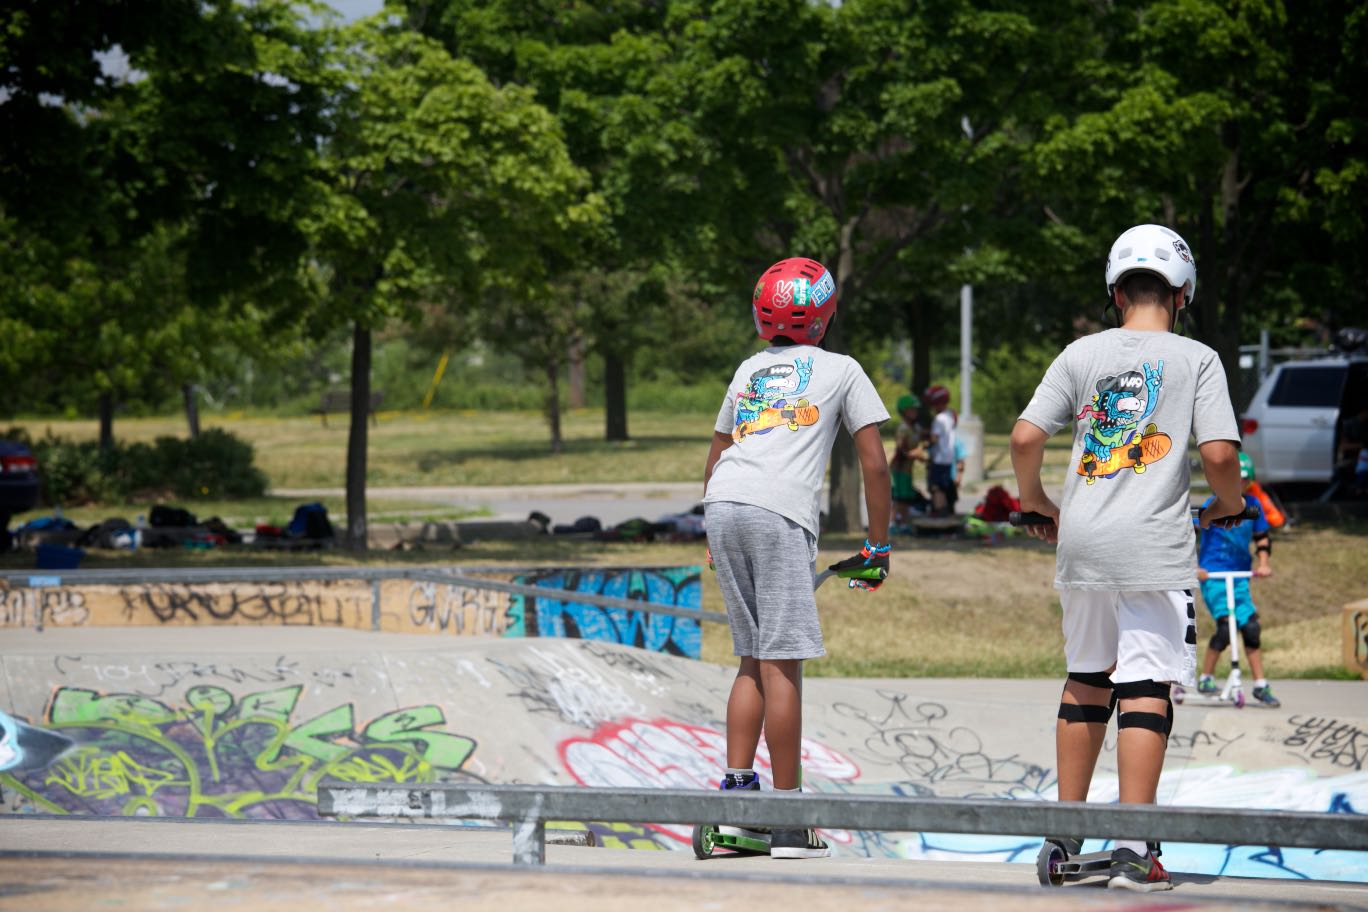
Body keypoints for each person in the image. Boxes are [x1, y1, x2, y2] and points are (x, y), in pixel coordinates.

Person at [1010, 224, 1246, 892]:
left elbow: (1025, 437)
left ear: (1116, 294)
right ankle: (1135, 849)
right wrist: (1229, 503)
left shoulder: (1080, 353)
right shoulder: (1197, 358)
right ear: (1182, 294)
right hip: (1152, 545)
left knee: (1086, 679)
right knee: (1145, 686)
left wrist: (1036, 502)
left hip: (1083, 542)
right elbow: (1219, 454)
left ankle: (1063, 841)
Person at [703, 256, 891, 859]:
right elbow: (874, 464)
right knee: (782, 662)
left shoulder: (748, 369)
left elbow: (719, 449)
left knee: (751, 656)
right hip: (778, 511)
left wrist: (713, 533)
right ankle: (788, 818)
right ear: (825, 315)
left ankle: (736, 803)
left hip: (722, 504)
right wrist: (878, 545)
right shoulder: (843, 369)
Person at [1195, 452, 1279, 706]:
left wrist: (1263, 564)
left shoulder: (1253, 506)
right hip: (1213, 576)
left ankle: (1260, 685)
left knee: (1251, 628)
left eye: (1243, 479)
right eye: (1234, 479)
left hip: (1240, 577)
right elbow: (1189, 534)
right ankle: (1206, 678)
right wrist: (1194, 567)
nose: (1238, 484)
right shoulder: (1213, 504)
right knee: (1226, 629)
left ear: (1249, 480)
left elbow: (1262, 538)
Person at [890, 393, 927, 529]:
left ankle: (903, 524)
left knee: (906, 498)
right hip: (899, 469)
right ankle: (893, 525)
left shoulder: (915, 428)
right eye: (912, 409)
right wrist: (918, 454)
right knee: (900, 498)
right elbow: (902, 451)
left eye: (916, 409)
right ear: (904, 411)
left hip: (908, 470)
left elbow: (925, 435)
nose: (915, 412)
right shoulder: (903, 429)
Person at [925, 385, 957, 515]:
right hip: (948, 457)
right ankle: (945, 511)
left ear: (937, 403)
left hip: (939, 458)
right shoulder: (950, 416)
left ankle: (940, 511)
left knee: (936, 487)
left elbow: (935, 438)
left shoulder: (938, 419)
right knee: (944, 486)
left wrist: (925, 445)